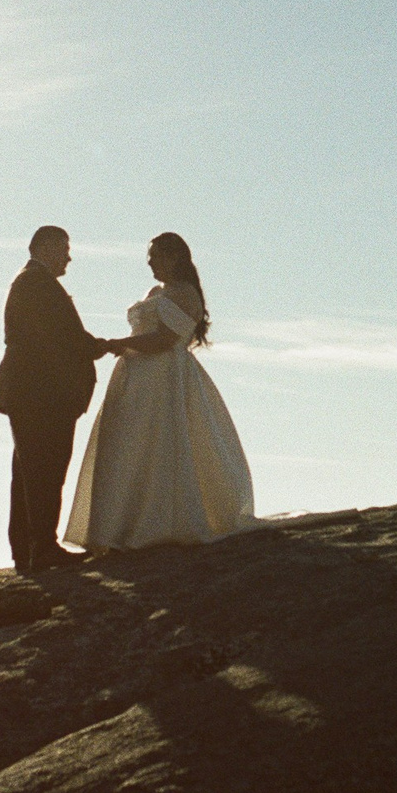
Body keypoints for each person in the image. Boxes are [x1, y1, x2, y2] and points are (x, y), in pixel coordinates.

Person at [64, 231, 257, 552]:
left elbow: (164, 340)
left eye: (155, 256)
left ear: (173, 258)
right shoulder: (157, 291)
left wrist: (117, 344)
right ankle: (123, 526)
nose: (150, 262)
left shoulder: (186, 295)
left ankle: (158, 523)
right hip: (137, 377)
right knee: (129, 446)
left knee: (165, 444)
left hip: (166, 378)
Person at [0, 225, 120, 571]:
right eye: (64, 248)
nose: (69, 256)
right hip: (40, 393)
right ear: (45, 247)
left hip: (31, 391)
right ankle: (41, 548)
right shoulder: (36, 283)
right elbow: (61, 336)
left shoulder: (31, 281)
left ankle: (29, 549)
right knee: (45, 468)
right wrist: (97, 347)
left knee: (30, 469)